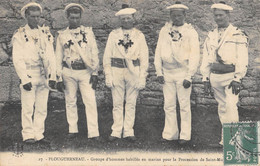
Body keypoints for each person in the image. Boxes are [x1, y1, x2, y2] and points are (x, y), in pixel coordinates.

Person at [200, 1, 248, 145]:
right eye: (216, 16)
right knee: (222, 107)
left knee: (231, 106)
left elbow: (242, 57)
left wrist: (238, 78)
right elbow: (206, 57)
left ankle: (233, 140)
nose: (218, 18)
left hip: (230, 77)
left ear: (228, 15)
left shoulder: (237, 33)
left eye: (221, 15)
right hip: (215, 76)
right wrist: (205, 77)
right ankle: (224, 139)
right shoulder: (211, 35)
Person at [154, 1, 200, 144]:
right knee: (168, 104)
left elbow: (195, 54)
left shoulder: (190, 31)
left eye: (179, 15)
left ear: (184, 15)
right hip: (167, 72)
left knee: (184, 105)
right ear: (170, 16)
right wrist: (159, 72)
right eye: (174, 15)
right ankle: (170, 133)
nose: (177, 18)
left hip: (182, 72)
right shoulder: (164, 30)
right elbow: (158, 51)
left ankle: (185, 135)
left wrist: (189, 76)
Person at [103, 4, 149, 142]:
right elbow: (107, 56)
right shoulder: (114, 34)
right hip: (117, 70)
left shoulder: (139, 35)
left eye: (129, 18)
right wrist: (108, 74)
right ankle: (116, 130)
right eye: (123, 19)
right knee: (117, 102)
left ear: (133, 19)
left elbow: (144, 58)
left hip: (133, 72)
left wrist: (142, 77)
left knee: (131, 102)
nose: (126, 21)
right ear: (120, 20)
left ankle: (128, 130)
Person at [12, 2, 56, 144]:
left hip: (43, 74)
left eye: (38, 17)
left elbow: (51, 55)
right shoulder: (20, 35)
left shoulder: (45, 33)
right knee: (28, 107)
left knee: (42, 107)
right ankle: (28, 134)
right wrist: (24, 78)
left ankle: (39, 133)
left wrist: (52, 75)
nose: (36, 20)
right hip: (29, 73)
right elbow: (17, 59)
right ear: (26, 16)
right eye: (32, 16)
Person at [55, 3, 100, 140]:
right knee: (70, 100)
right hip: (69, 72)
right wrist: (58, 78)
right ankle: (72, 129)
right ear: (67, 17)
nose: (75, 21)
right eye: (72, 18)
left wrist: (95, 73)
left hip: (85, 72)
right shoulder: (62, 35)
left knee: (90, 101)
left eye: (77, 18)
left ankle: (93, 132)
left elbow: (94, 53)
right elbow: (58, 57)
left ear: (81, 18)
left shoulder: (88, 32)